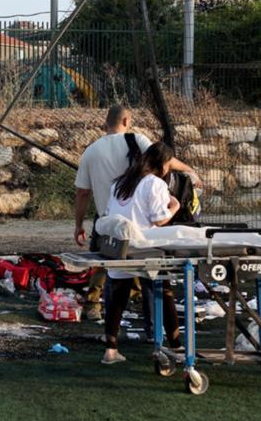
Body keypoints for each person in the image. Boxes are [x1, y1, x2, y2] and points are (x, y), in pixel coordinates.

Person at [74, 105, 199, 321]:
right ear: (125, 121)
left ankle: (95, 306)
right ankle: (153, 323)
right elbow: (162, 158)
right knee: (149, 272)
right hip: (138, 221)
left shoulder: (91, 151)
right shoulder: (137, 141)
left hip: (107, 219)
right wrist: (189, 170)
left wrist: (78, 225)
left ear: (106, 124)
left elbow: (83, 192)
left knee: (105, 263)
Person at [102, 142, 183, 364]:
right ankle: (177, 345)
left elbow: (110, 213)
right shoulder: (155, 183)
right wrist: (174, 207)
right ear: (164, 165)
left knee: (118, 297)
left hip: (120, 246)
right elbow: (158, 218)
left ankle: (110, 350)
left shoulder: (120, 182)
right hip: (145, 247)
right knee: (163, 292)